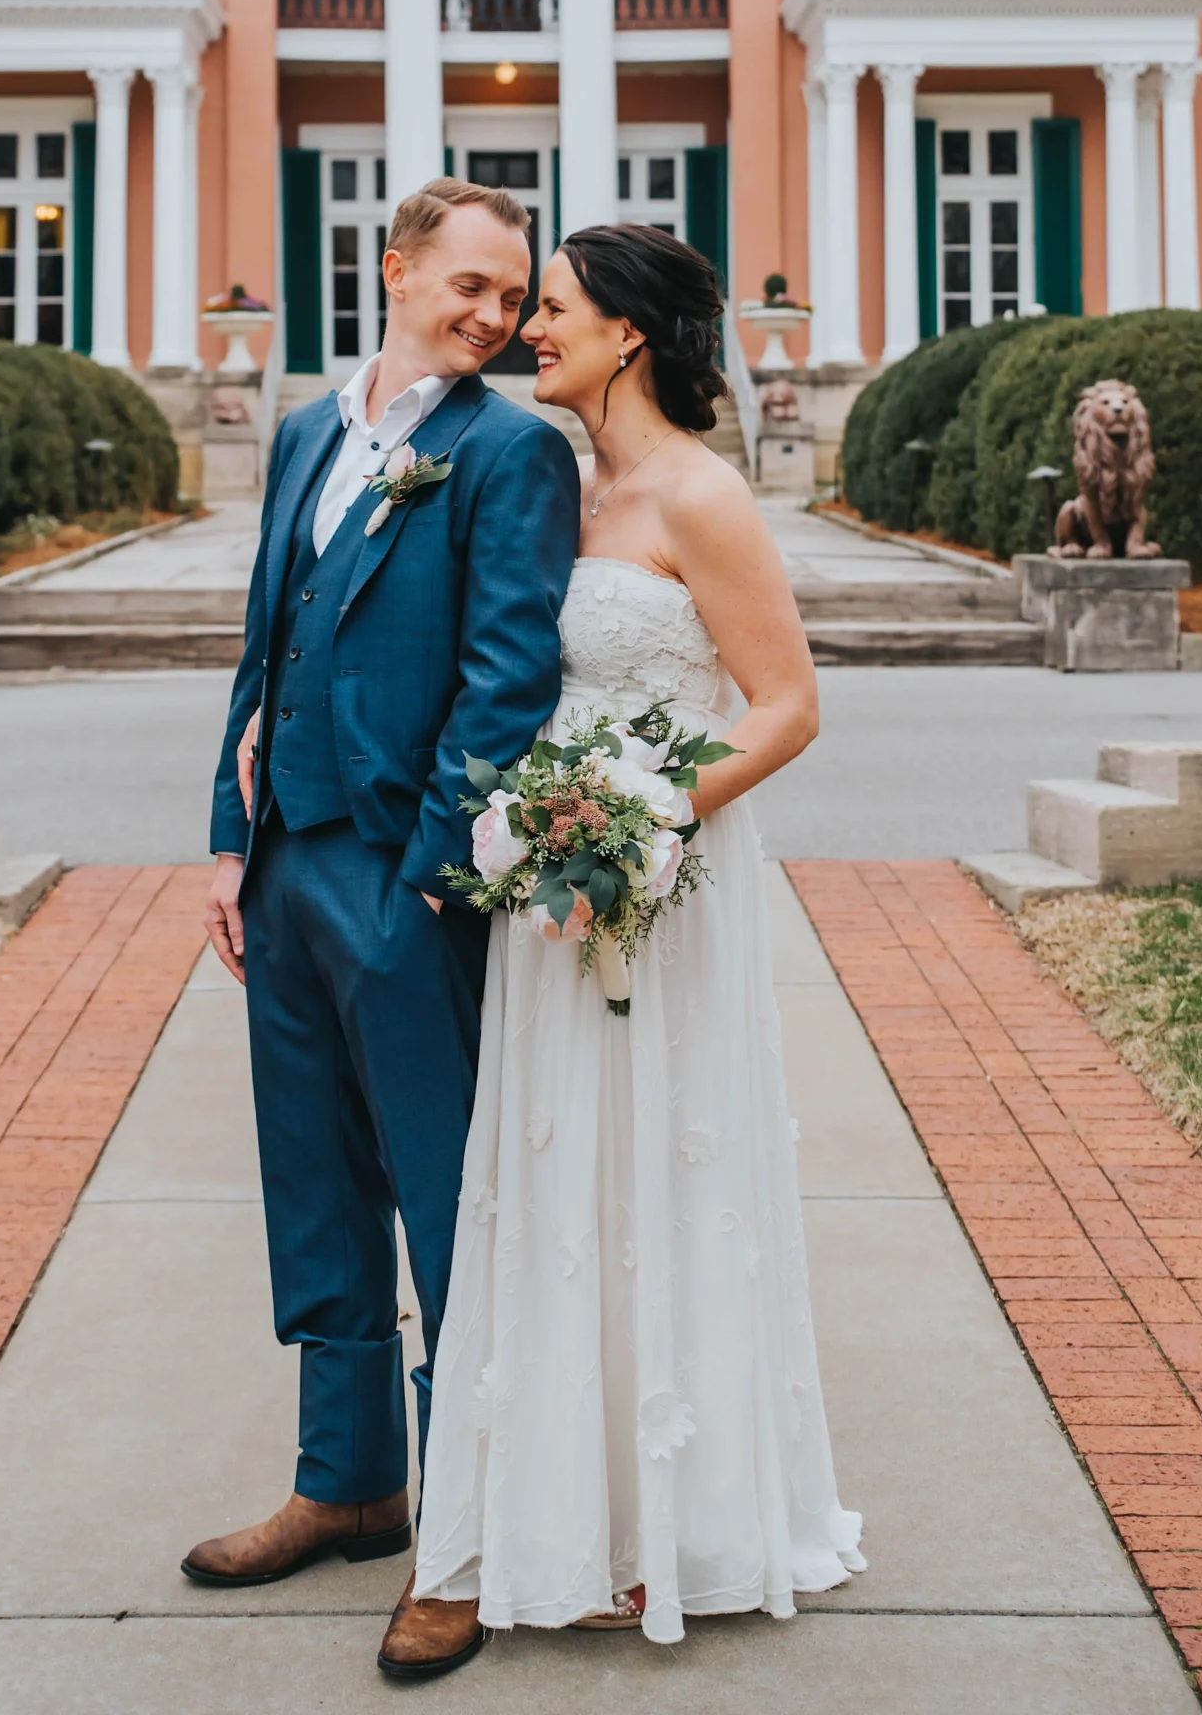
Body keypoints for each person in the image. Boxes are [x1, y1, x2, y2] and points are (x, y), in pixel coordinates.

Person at [413, 223, 864, 1650]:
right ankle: (570, 1509)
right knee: (562, 1191)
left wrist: (641, 819)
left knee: (666, 1180)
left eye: (552, 310)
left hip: (660, 885)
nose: (527, 329)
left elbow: (785, 706)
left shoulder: (698, 495)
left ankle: (681, 1522)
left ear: (631, 337)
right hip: (555, 888)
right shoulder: (563, 487)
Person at [182, 177, 580, 1686]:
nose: (492, 317)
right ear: (396, 265)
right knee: (316, 1182)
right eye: (468, 285)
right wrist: (229, 844)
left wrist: (432, 874)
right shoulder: (301, 431)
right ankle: (348, 1480)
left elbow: (508, 680)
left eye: (511, 295)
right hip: (283, 864)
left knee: (442, 1201)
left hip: (407, 877)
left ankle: (466, 1539)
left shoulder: (511, 452)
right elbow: (260, 649)